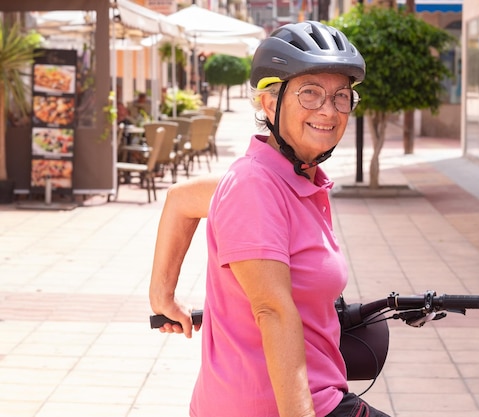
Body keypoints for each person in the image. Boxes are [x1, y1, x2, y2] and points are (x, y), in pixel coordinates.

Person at [149, 21, 390, 417]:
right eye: (310, 93)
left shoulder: (281, 179)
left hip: (304, 395)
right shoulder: (254, 187)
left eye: (341, 96)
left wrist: (163, 296)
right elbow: (273, 312)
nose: (328, 110)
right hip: (275, 406)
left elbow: (180, 200)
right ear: (268, 103)